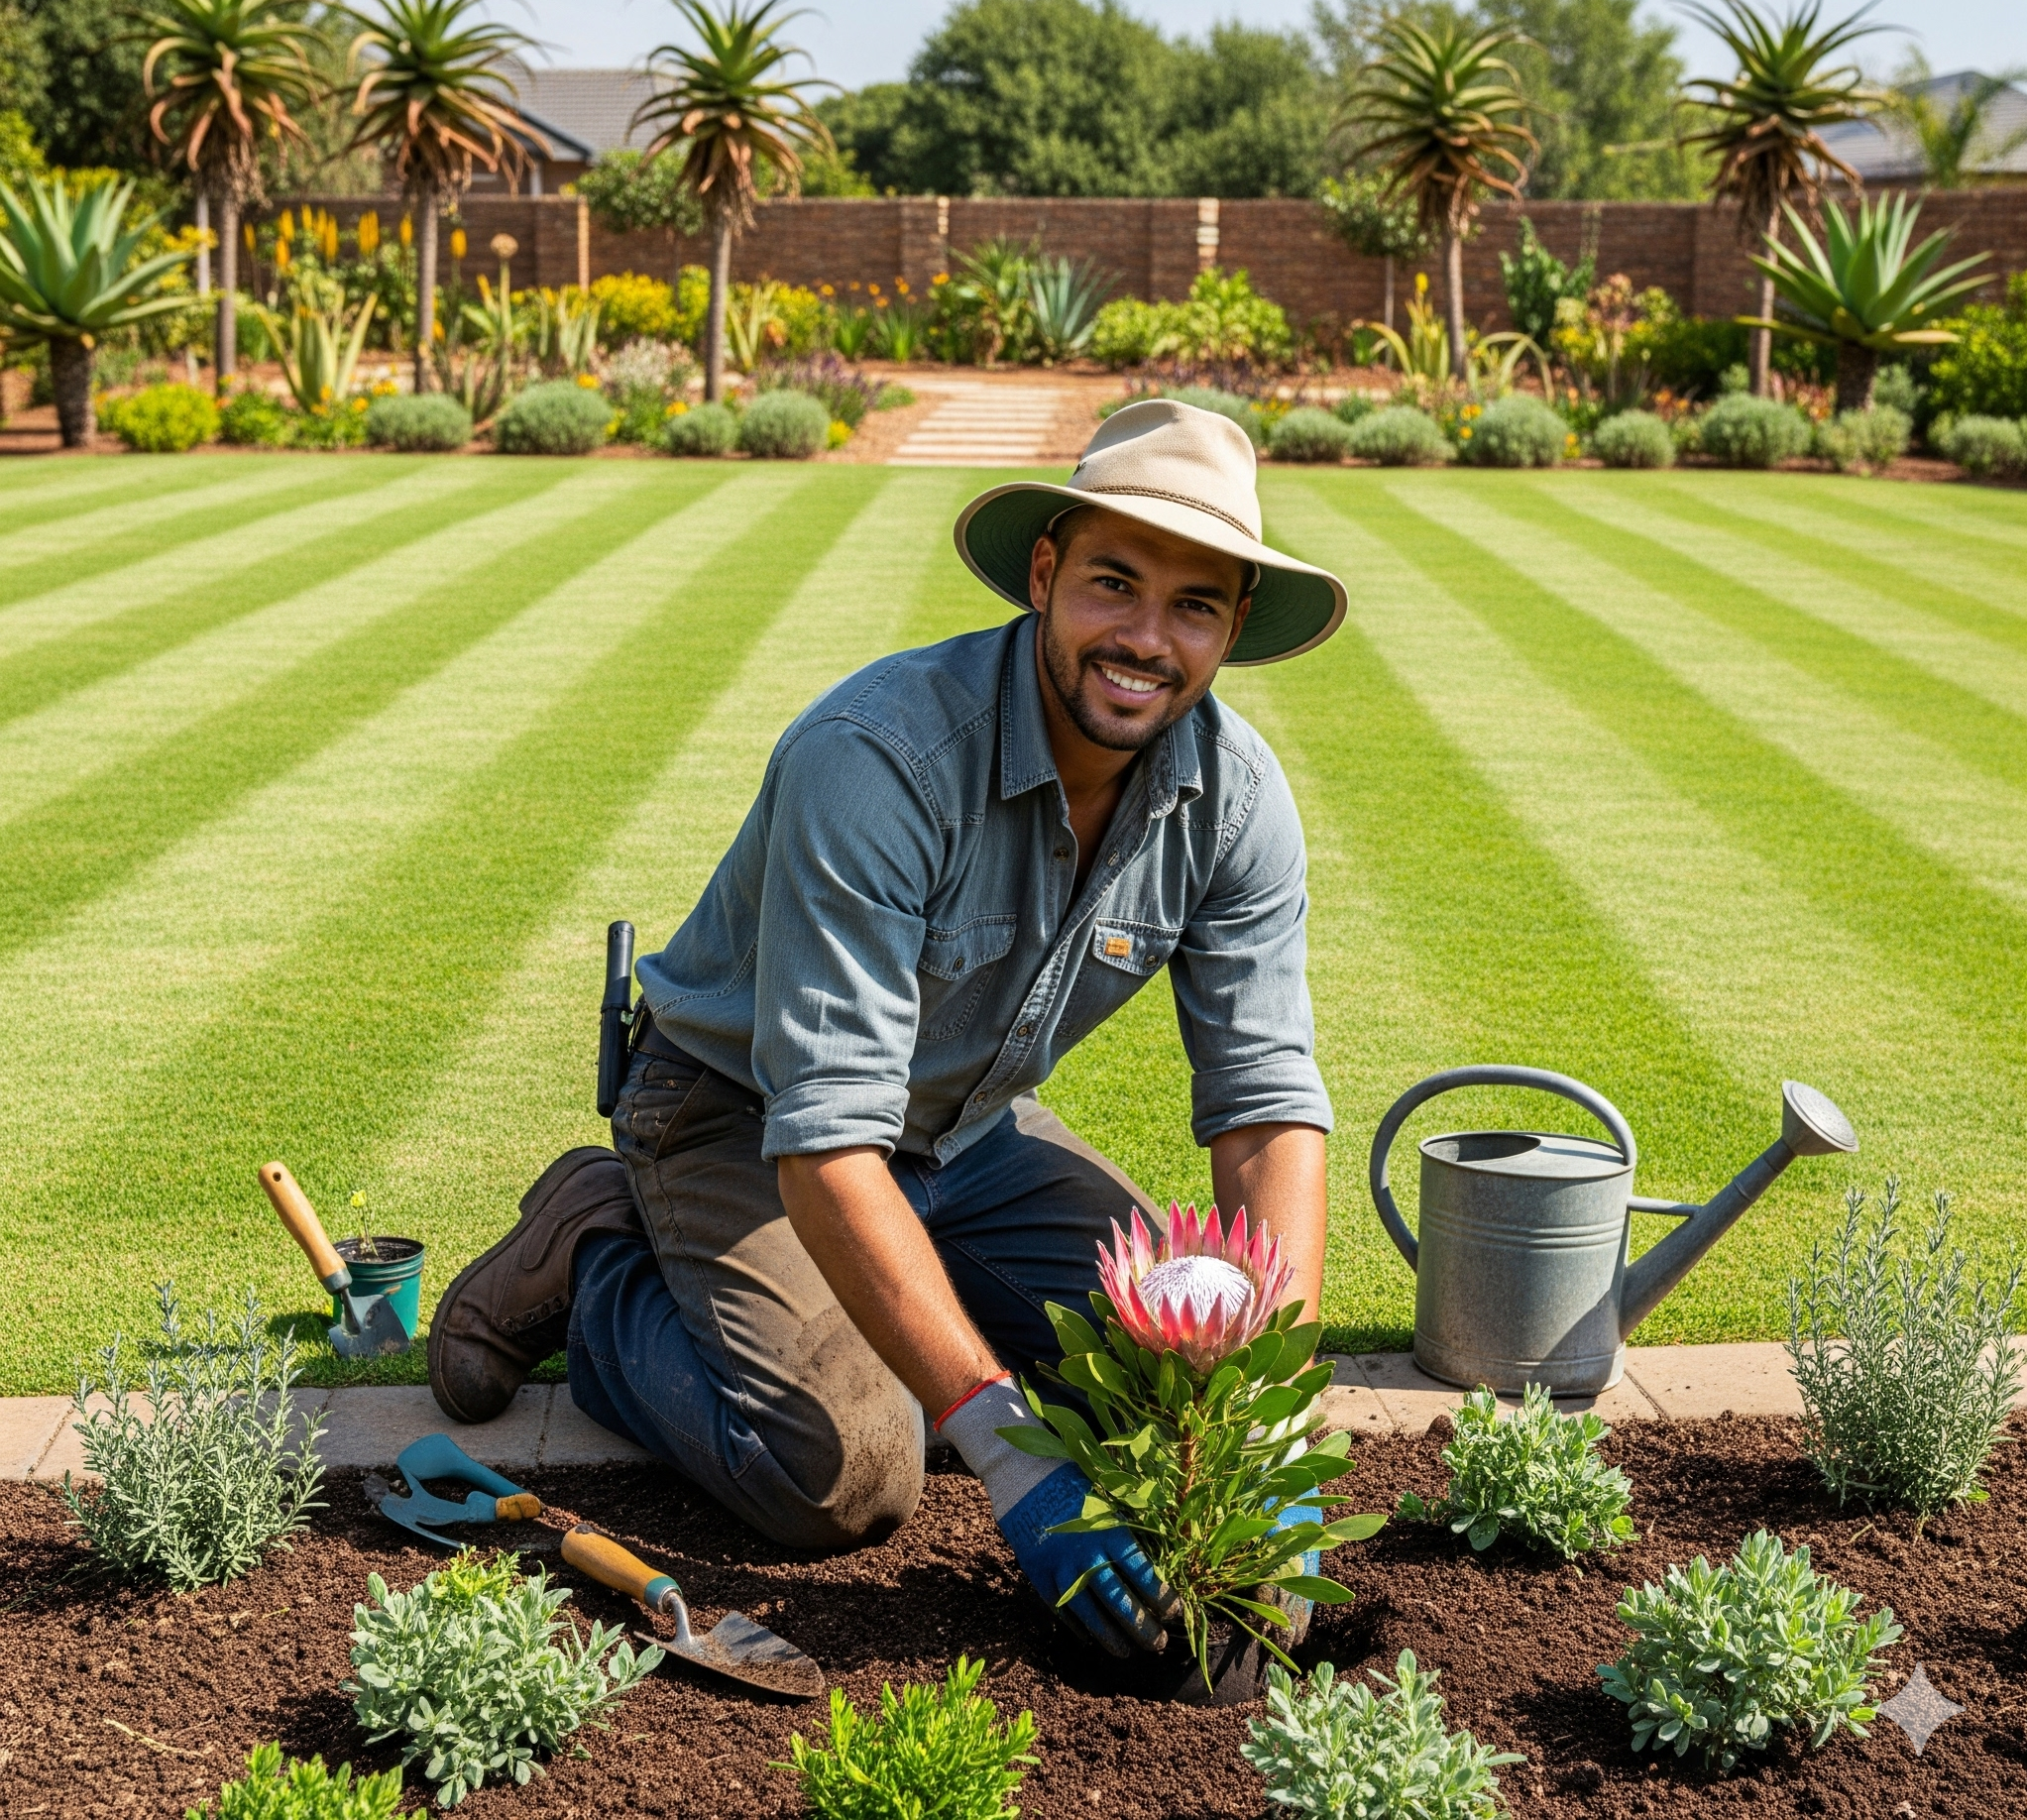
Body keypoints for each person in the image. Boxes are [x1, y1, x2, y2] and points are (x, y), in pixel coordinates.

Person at [428, 398, 1349, 1657]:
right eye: (1112, 583)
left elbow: (1263, 1104)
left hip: (962, 1132)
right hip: (735, 1111)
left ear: (1233, 625)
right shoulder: (879, 759)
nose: (1144, 637)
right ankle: (598, 1255)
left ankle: (907, 1296)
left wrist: (1265, 1413)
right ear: (1044, 573)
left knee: (1150, 1376)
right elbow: (824, 1139)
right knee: (850, 1469)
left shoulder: (1233, 796)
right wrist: (1007, 1449)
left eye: (1193, 603)